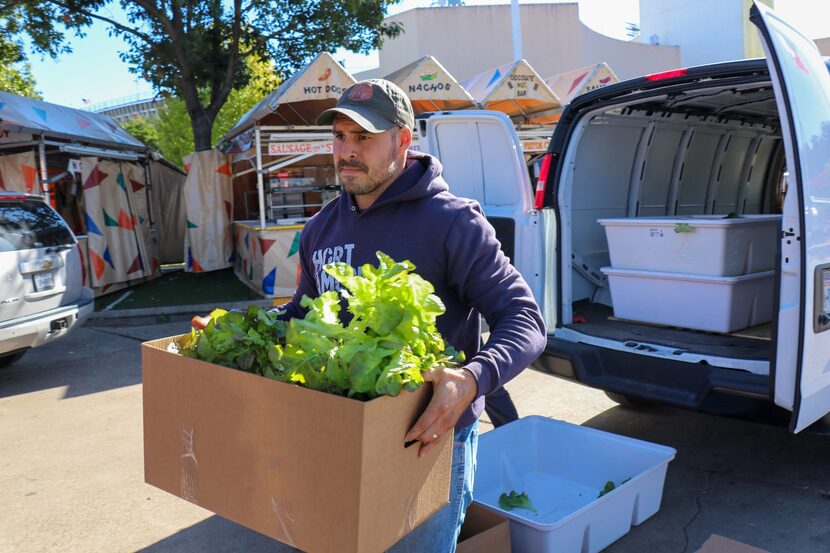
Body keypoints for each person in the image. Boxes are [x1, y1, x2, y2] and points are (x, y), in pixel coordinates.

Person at [197, 79, 545, 552]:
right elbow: (303, 310)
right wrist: (238, 331)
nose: (347, 151)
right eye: (340, 137)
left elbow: (525, 320)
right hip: (335, 434)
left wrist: (471, 378)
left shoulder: (453, 221)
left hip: (427, 441)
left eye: (364, 137)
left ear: (403, 139)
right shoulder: (320, 227)